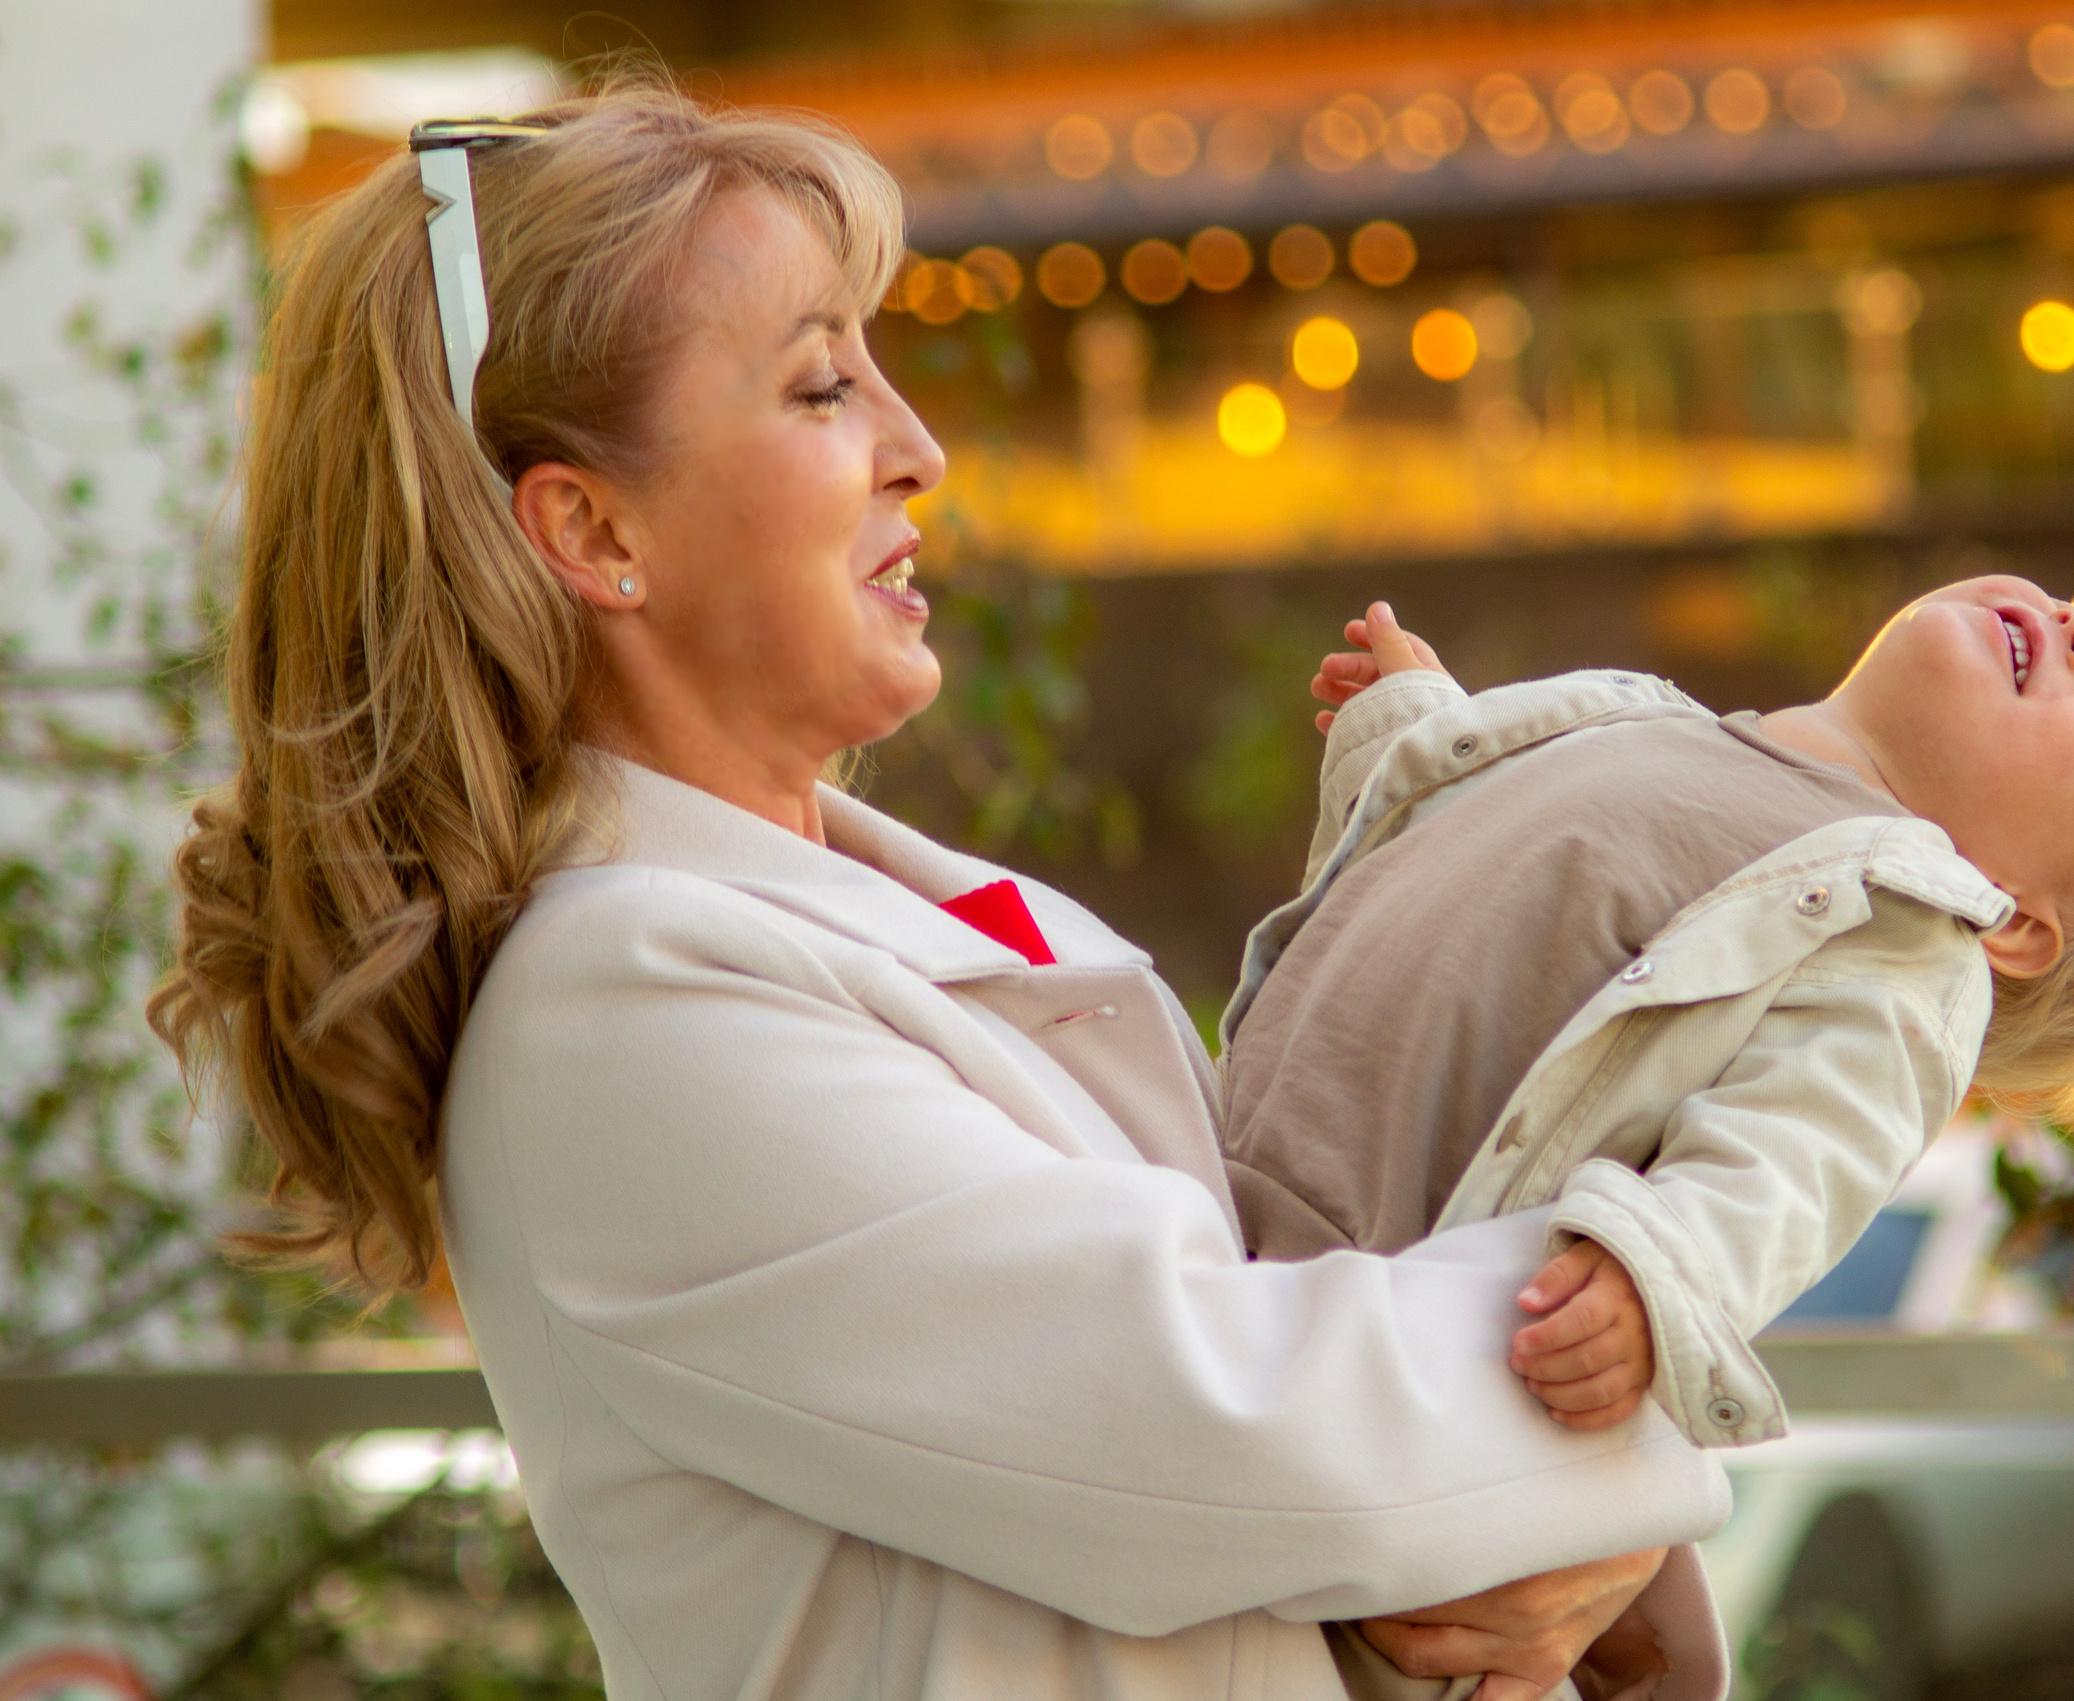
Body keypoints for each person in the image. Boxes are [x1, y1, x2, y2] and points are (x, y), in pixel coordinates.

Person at [148, 85, 1734, 1701]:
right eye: (824, 386)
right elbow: (1248, 1435)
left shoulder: (905, 918)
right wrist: (1641, 1388)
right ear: (592, 528)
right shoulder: (620, 1013)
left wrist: (1572, 1550)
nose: (922, 453)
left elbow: (1315, 1379)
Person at [1220, 592, 2074, 1444]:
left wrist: (1660, 1274)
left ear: (2007, 921)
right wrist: (1425, 728)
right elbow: (1447, 875)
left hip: (1364, 1299)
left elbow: (1793, 1160)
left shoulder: (1900, 947)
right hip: (1215, 1166)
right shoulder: (1654, 719)